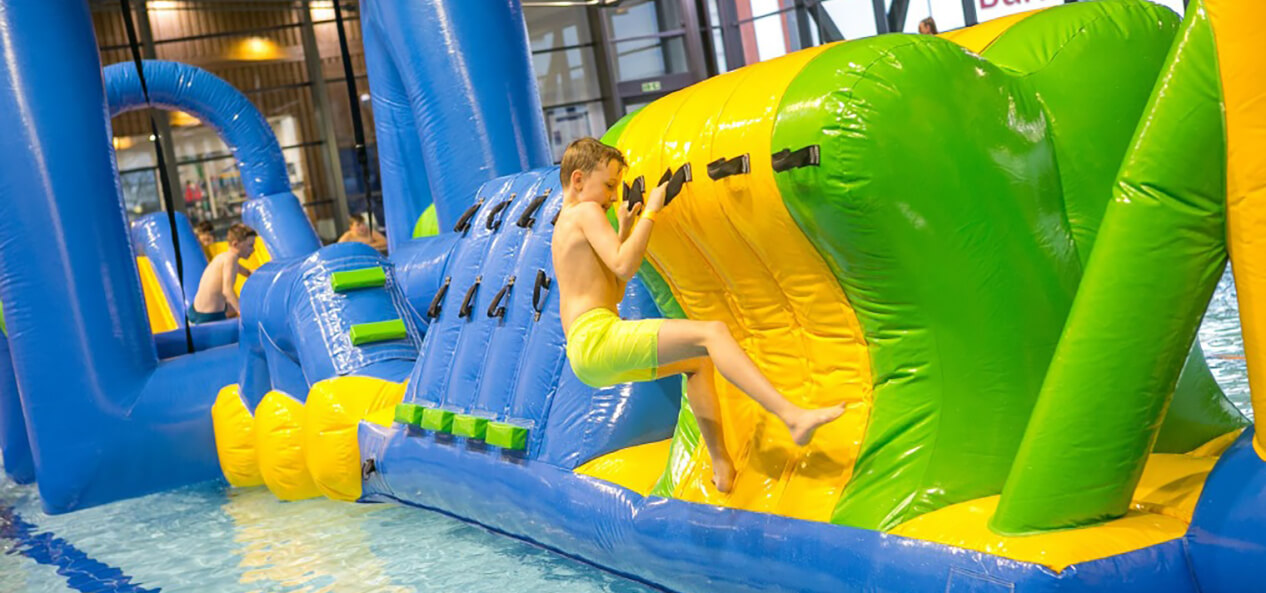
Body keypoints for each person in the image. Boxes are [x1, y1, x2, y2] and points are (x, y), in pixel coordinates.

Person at [551, 138, 846, 493]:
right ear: (579, 180)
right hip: (597, 338)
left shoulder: (565, 222)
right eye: (610, 186)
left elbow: (613, 290)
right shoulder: (585, 212)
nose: (613, 198)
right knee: (713, 333)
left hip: (586, 354)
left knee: (697, 363)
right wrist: (652, 211)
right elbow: (623, 264)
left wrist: (625, 229)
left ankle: (722, 469)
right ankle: (792, 416)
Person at [190, 223, 256, 324]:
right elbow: (227, 291)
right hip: (208, 316)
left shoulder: (223, 257)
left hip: (197, 310)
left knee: (234, 308)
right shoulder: (231, 259)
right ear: (235, 244)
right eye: (250, 245)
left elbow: (248, 272)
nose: (253, 250)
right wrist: (243, 313)